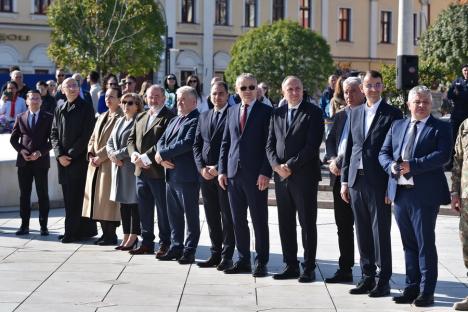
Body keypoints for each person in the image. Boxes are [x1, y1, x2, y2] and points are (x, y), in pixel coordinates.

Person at [379, 86, 452, 307]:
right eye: (417, 102)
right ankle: (411, 287)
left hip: (425, 196)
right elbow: (383, 153)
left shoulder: (440, 127)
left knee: (425, 244)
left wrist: (413, 166)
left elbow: (443, 156)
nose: (421, 106)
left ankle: (426, 291)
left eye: (425, 102)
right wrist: (391, 166)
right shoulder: (397, 125)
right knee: (408, 244)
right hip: (400, 194)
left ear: (432, 105)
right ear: (408, 104)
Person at [340, 70, 403, 297]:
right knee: (363, 230)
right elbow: (350, 150)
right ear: (362, 88)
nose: (373, 89)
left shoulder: (393, 114)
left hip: (379, 182)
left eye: (377, 85)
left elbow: (397, 151)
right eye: (369, 85)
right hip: (357, 181)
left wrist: (392, 184)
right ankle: (367, 276)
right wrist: (345, 182)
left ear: (382, 87)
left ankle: (383, 279)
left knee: (380, 232)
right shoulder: (354, 113)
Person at [266, 76, 324, 283]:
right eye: (290, 89)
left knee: (307, 223)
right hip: (281, 177)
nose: (294, 92)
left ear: (302, 90)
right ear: (283, 92)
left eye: (297, 88)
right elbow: (269, 144)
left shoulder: (314, 112)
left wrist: (289, 165)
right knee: (285, 222)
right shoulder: (277, 113)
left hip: (304, 176)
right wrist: (275, 166)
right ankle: (290, 264)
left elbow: (312, 146)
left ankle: (308, 267)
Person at [218, 73, 272, 277]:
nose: (248, 91)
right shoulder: (231, 111)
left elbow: (270, 145)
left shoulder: (266, 111)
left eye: (252, 87)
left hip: (256, 175)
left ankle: (261, 262)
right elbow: (226, 143)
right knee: (237, 220)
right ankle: (242, 260)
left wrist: (265, 172)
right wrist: (222, 170)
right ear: (237, 90)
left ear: (257, 89)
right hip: (233, 174)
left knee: (259, 220)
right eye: (244, 88)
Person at [324, 76, 365, 283]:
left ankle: (369, 271)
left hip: (358, 179)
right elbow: (330, 140)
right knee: (343, 226)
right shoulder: (340, 115)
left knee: (364, 227)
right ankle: (345, 268)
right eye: (346, 92)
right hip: (338, 177)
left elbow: (357, 147)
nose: (349, 95)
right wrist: (332, 159)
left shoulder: (367, 114)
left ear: (363, 91)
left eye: (354, 91)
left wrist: (340, 162)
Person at [127, 85, 175, 255]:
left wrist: (144, 158)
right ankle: (146, 242)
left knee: (163, 210)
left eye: (156, 97)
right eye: (150, 97)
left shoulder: (170, 116)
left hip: (158, 171)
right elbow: (131, 140)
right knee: (144, 208)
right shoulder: (140, 116)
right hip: (140, 172)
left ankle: (165, 243)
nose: (153, 100)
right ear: (145, 98)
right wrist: (134, 157)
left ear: (163, 98)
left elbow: (163, 142)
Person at [156, 86, 200, 264]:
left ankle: (189, 251)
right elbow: (161, 140)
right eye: (178, 99)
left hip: (187, 176)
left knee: (190, 216)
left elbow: (186, 143)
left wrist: (163, 154)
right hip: (171, 175)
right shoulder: (175, 119)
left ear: (194, 102)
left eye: (183, 99)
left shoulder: (196, 119)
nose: (179, 102)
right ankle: (176, 246)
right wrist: (160, 156)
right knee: (173, 214)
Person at [193, 81, 235, 271]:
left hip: (223, 174)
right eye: (214, 94)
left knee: (227, 216)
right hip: (205, 175)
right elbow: (197, 145)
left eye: (221, 93)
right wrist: (202, 168)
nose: (217, 97)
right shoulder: (204, 116)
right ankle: (215, 252)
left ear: (227, 95)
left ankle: (227, 255)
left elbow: (233, 145)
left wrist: (219, 168)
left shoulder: (233, 114)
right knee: (211, 216)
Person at [50, 78, 98, 243]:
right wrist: (59, 155)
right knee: (68, 198)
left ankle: (73, 232)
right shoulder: (60, 108)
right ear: (62, 90)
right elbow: (54, 133)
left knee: (77, 199)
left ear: (79, 89)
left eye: (74, 85)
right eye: (68, 86)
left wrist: (69, 155)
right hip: (63, 162)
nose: (72, 88)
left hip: (78, 161)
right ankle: (72, 230)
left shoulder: (85, 108)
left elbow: (87, 135)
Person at [82, 86, 123, 245]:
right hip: (95, 164)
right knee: (96, 200)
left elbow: (115, 141)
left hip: (108, 165)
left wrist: (100, 157)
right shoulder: (102, 116)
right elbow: (92, 138)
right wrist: (91, 154)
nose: (108, 99)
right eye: (106, 96)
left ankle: (110, 234)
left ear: (119, 99)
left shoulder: (121, 116)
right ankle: (104, 233)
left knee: (107, 202)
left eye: (112, 96)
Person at [10, 90, 53, 236]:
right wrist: (21, 150)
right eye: (32, 98)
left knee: (43, 194)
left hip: (41, 162)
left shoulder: (48, 117)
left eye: (37, 98)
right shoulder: (20, 117)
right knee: (24, 195)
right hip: (24, 162)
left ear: (41, 101)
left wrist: (40, 153)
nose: (35, 101)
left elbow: (53, 140)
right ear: (27, 101)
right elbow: (13, 139)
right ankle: (24, 226)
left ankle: (44, 226)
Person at [107, 93, 144, 251]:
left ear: (137, 105)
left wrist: (117, 155)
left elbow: (134, 144)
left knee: (133, 203)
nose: (126, 105)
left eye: (130, 103)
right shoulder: (120, 120)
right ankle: (126, 235)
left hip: (130, 166)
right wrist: (111, 154)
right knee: (123, 203)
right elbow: (109, 142)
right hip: (118, 166)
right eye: (123, 102)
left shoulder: (139, 121)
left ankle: (134, 236)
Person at [451, 118, 468, 311]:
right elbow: (458, 159)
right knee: (467, 246)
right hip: (466, 196)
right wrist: (454, 192)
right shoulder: (465, 125)